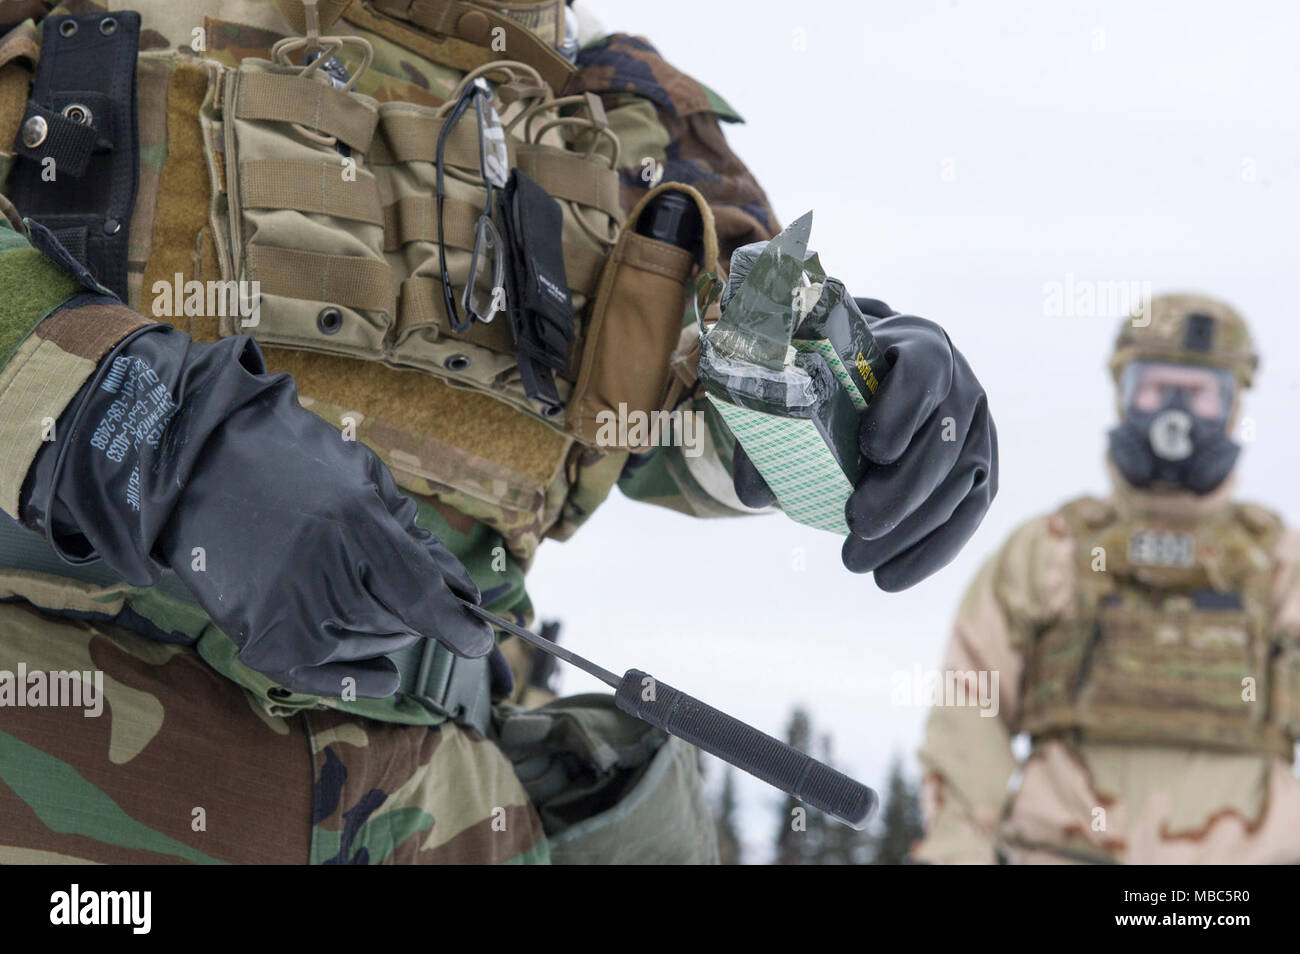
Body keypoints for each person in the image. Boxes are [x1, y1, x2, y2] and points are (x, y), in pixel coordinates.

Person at [0, 0, 994, 864]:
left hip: (447, 802)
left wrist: (866, 407)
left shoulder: (620, 100)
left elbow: (676, 423)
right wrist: (142, 427)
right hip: (63, 741)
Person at [916, 293, 1300, 864]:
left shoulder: (1280, 565)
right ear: (1123, 397)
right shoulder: (1049, 550)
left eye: (1197, 392)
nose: (1175, 412)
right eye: (1154, 387)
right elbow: (972, 708)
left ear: (1232, 405)